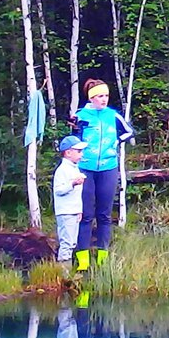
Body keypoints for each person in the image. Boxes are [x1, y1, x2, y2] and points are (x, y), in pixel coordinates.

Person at [71, 78, 133, 271]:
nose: (104, 99)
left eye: (106, 95)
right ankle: (82, 262)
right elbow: (74, 140)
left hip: (108, 168)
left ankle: (102, 260)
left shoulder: (113, 116)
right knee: (86, 215)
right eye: (100, 96)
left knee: (104, 215)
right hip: (85, 168)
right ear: (92, 98)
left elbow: (129, 132)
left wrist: (115, 143)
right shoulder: (81, 116)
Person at [50, 134, 85, 265]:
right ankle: (63, 274)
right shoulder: (62, 170)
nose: (81, 154)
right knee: (67, 243)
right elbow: (58, 190)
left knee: (72, 242)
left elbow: (77, 195)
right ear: (68, 152)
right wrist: (72, 184)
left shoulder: (74, 168)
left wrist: (79, 211)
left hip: (73, 211)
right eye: (79, 151)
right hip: (65, 212)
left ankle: (66, 274)